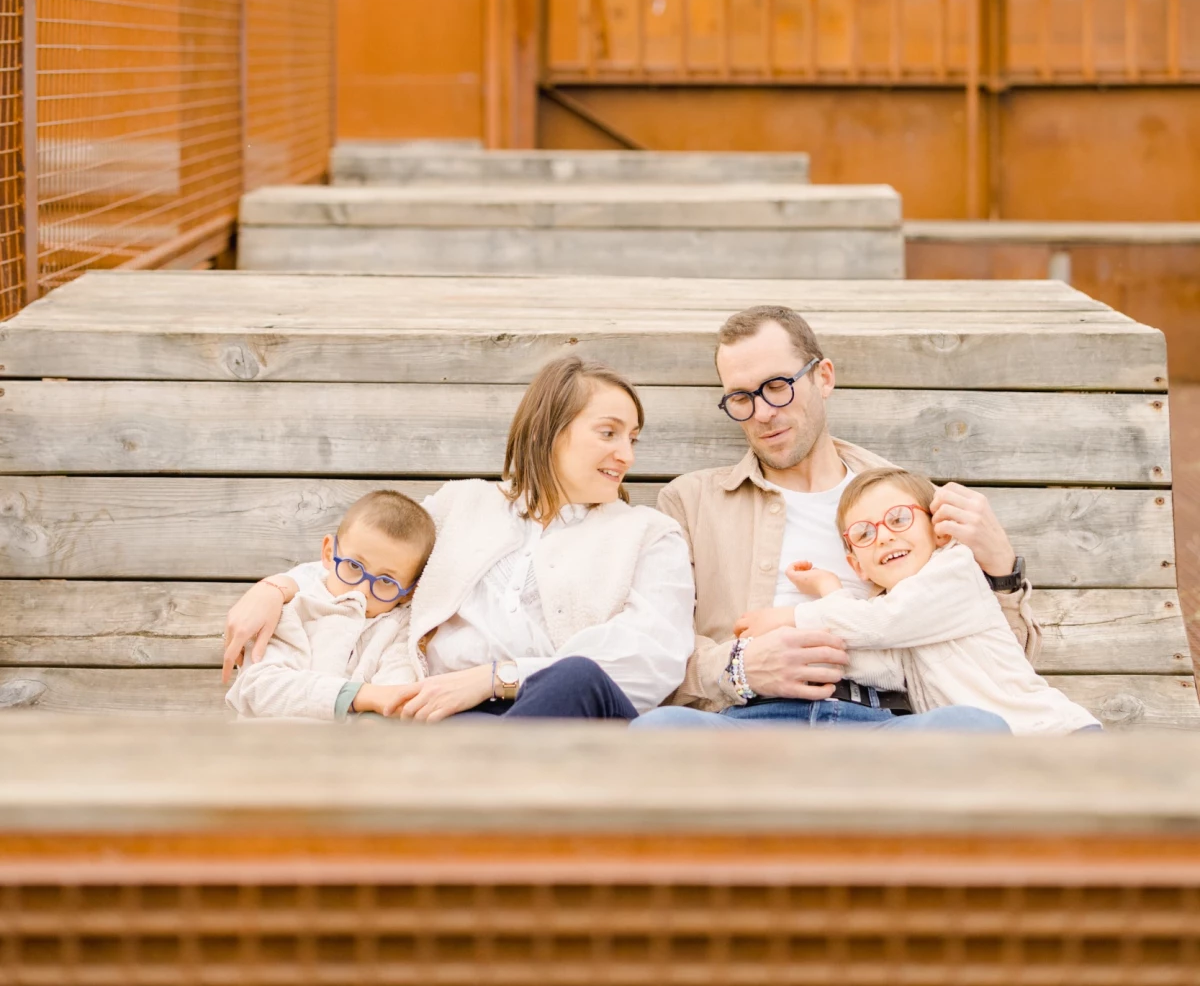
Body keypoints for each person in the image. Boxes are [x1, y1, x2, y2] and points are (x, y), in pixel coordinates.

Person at [221, 356, 694, 721]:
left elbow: (652, 659)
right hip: (441, 714)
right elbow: (375, 566)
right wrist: (277, 586)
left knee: (574, 677)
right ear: (549, 431)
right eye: (609, 433)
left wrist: (496, 680)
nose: (626, 454)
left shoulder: (649, 535)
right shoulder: (461, 506)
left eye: (633, 437)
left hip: (567, 722)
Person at [632, 304, 1033, 731]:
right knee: (656, 732)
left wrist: (1002, 571)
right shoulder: (690, 502)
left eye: (776, 386)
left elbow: (1003, 666)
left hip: (882, 725)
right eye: (741, 398)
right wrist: (741, 667)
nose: (763, 412)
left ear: (823, 377)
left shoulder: (907, 504)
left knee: (976, 728)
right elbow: (657, 652)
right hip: (745, 727)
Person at [735, 466, 1099, 734]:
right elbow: (876, 662)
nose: (883, 537)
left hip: (1054, 734)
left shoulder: (954, 572)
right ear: (857, 567)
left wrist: (793, 616)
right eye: (864, 533)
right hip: (996, 748)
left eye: (898, 519)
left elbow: (880, 622)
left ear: (939, 533)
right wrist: (828, 592)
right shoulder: (903, 619)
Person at [226, 488, 435, 720]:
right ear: (328, 553)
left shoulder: (400, 631)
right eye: (354, 566)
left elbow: (395, 695)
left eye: (386, 581)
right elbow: (257, 688)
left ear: (408, 592)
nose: (362, 591)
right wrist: (357, 695)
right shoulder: (296, 607)